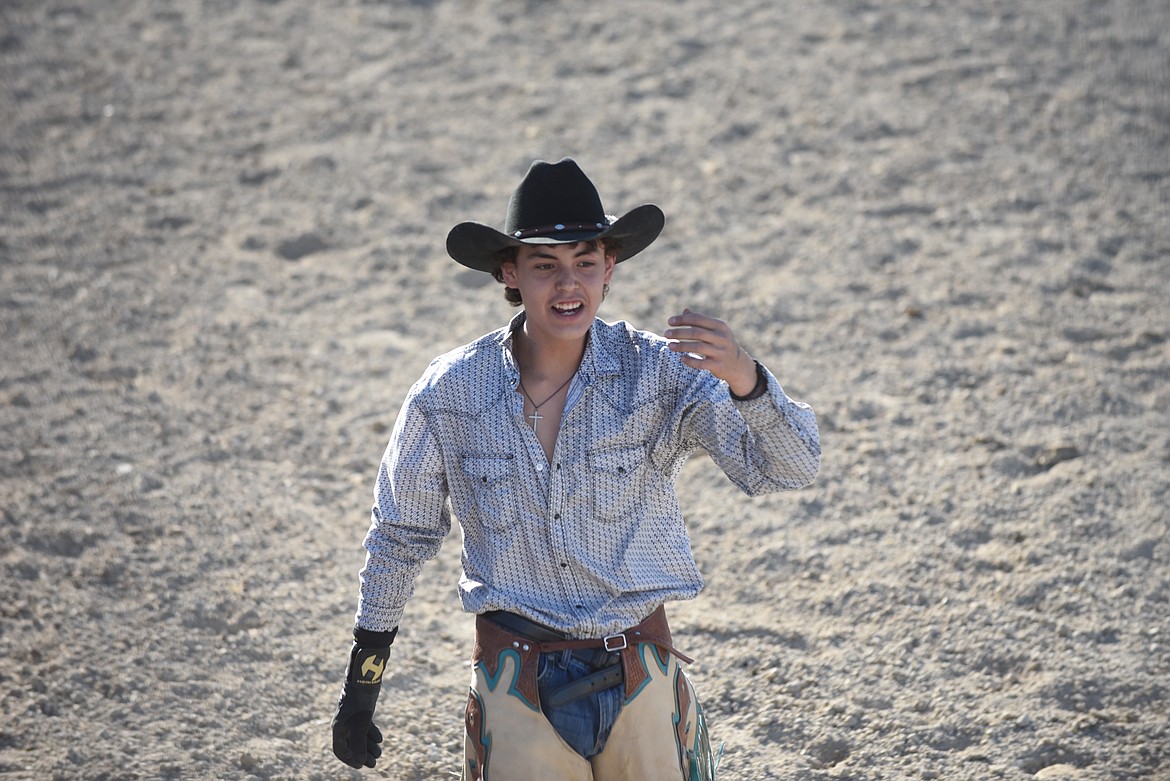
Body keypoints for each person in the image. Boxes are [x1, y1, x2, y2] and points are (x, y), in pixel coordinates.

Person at [331, 158, 821, 780]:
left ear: (609, 268)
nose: (569, 285)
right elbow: (400, 537)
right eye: (545, 265)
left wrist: (750, 383)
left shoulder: (659, 374)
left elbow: (788, 470)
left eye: (585, 262)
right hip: (515, 679)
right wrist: (361, 691)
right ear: (509, 272)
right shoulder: (449, 392)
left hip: (641, 671)